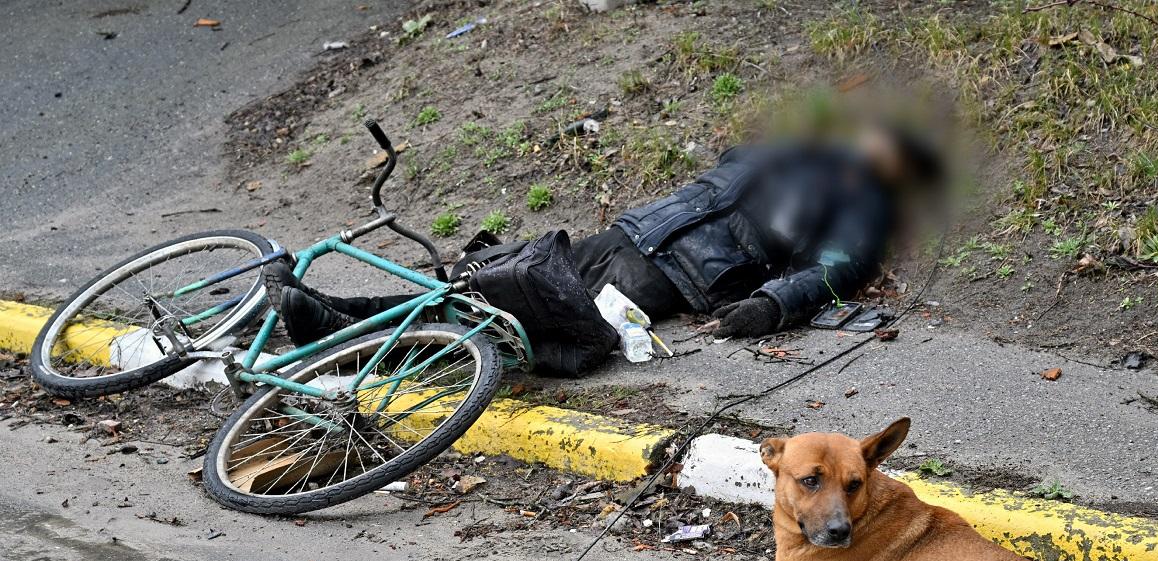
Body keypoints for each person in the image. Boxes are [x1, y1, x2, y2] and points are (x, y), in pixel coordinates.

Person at [267, 124, 940, 349]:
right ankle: (337, 316)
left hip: (669, 279)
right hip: (626, 235)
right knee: (484, 283)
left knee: (515, 321)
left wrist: (768, 306)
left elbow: (832, 272)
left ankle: (342, 335)